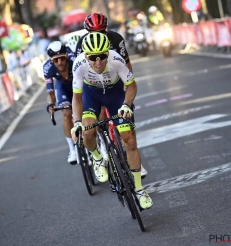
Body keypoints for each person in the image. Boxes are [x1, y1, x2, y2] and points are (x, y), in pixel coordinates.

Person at [70, 32, 153, 209]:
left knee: (129, 140)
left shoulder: (116, 60)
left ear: (108, 53)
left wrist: (127, 104)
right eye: (93, 58)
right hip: (91, 97)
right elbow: (76, 98)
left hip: (115, 96)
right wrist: (76, 121)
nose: (98, 62)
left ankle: (139, 190)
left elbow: (131, 85)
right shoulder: (78, 65)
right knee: (87, 133)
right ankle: (98, 159)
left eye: (101, 57)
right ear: (86, 56)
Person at [75, 12, 148, 178]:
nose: (99, 36)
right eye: (94, 33)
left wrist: (125, 86)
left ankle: (135, 159)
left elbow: (127, 64)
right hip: (93, 87)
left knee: (127, 123)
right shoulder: (82, 44)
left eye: (102, 32)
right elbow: (79, 73)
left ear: (106, 30)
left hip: (115, 82)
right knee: (97, 117)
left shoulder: (116, 39)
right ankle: (103, 143)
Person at [43, 41, 77, 164]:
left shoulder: (75, 60)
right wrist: (50, 104)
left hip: (77, 84)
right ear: (51, 60)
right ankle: (72, 150)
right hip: (62, 87)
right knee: (66, 113)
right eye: (55, 60)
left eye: (62, 58)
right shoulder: (47, 68)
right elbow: (50, 93)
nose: (59, 63)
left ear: (66, 56)